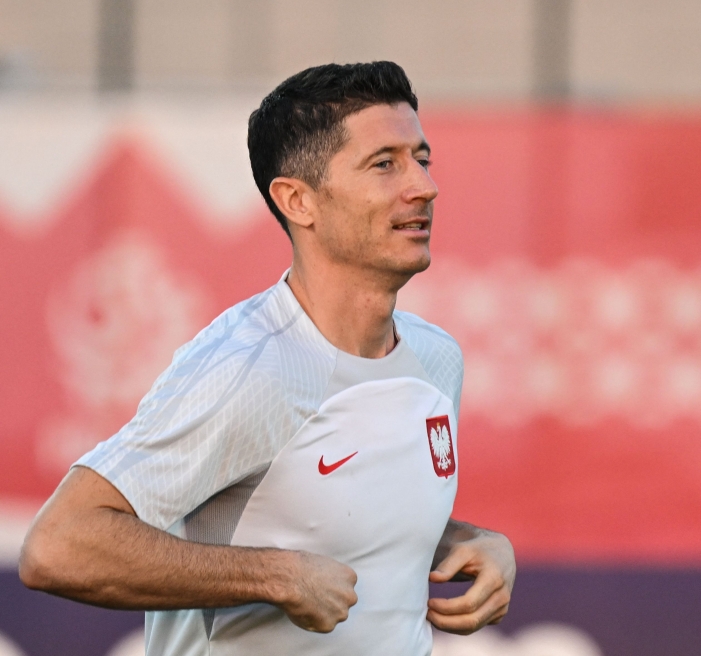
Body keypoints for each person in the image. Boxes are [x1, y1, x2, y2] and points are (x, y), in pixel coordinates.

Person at [19, 61, 515, 655]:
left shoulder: (437, 360)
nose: (424, 186)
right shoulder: (247, 368)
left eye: (422, 158)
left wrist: (474, 543)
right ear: (298, 201)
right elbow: (59, 545)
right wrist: (274, 576)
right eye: (385, 164)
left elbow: (344, 513)